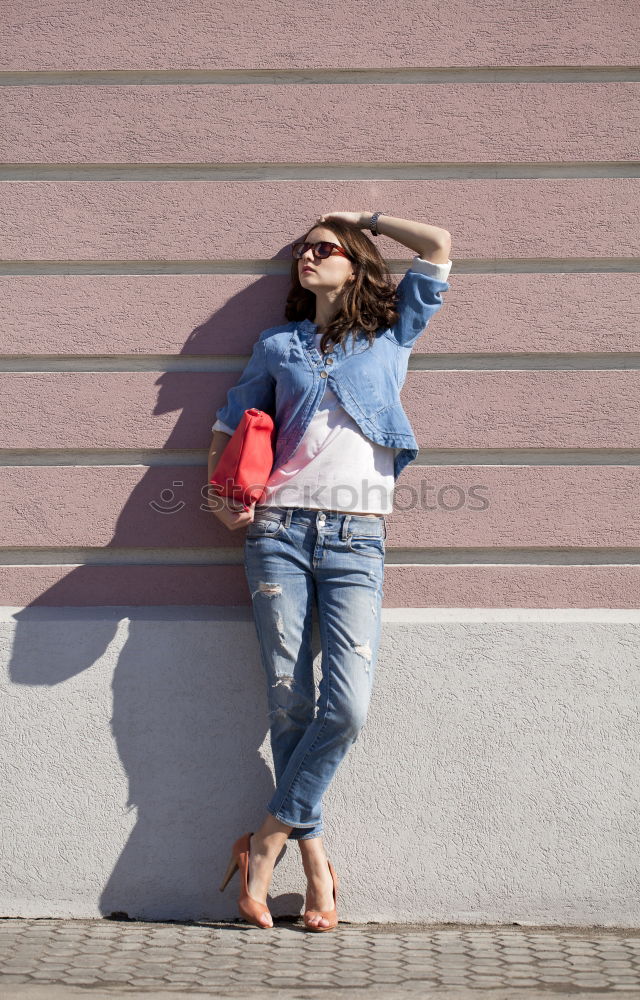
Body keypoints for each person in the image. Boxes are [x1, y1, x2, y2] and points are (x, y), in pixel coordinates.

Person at [209, 211, 452, 930]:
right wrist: (221, 499)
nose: (308, 257)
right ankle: (317, 866)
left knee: (345, 709)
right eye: (302, 251)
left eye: (325, 249)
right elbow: (230, 420)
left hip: (357, 539)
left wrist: (362, 218)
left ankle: (267, 841)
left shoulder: (394, 332)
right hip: (278, 531)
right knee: (289, 701)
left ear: (358, 263)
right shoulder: (277, 343)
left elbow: (438, 246)